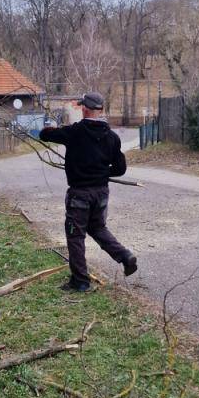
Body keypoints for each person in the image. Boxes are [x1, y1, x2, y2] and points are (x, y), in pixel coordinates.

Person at [39, 92, 137, 292]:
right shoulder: (112, 137)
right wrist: (101, 173)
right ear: (101, 110)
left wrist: (51, 128)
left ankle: (80, 281)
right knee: (98, 228)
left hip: (79, 194)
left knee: (75, 236)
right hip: (101, 192)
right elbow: (120, 169)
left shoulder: (74, 132)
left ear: (84, 109)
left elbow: (45, 135)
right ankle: (125, 256)